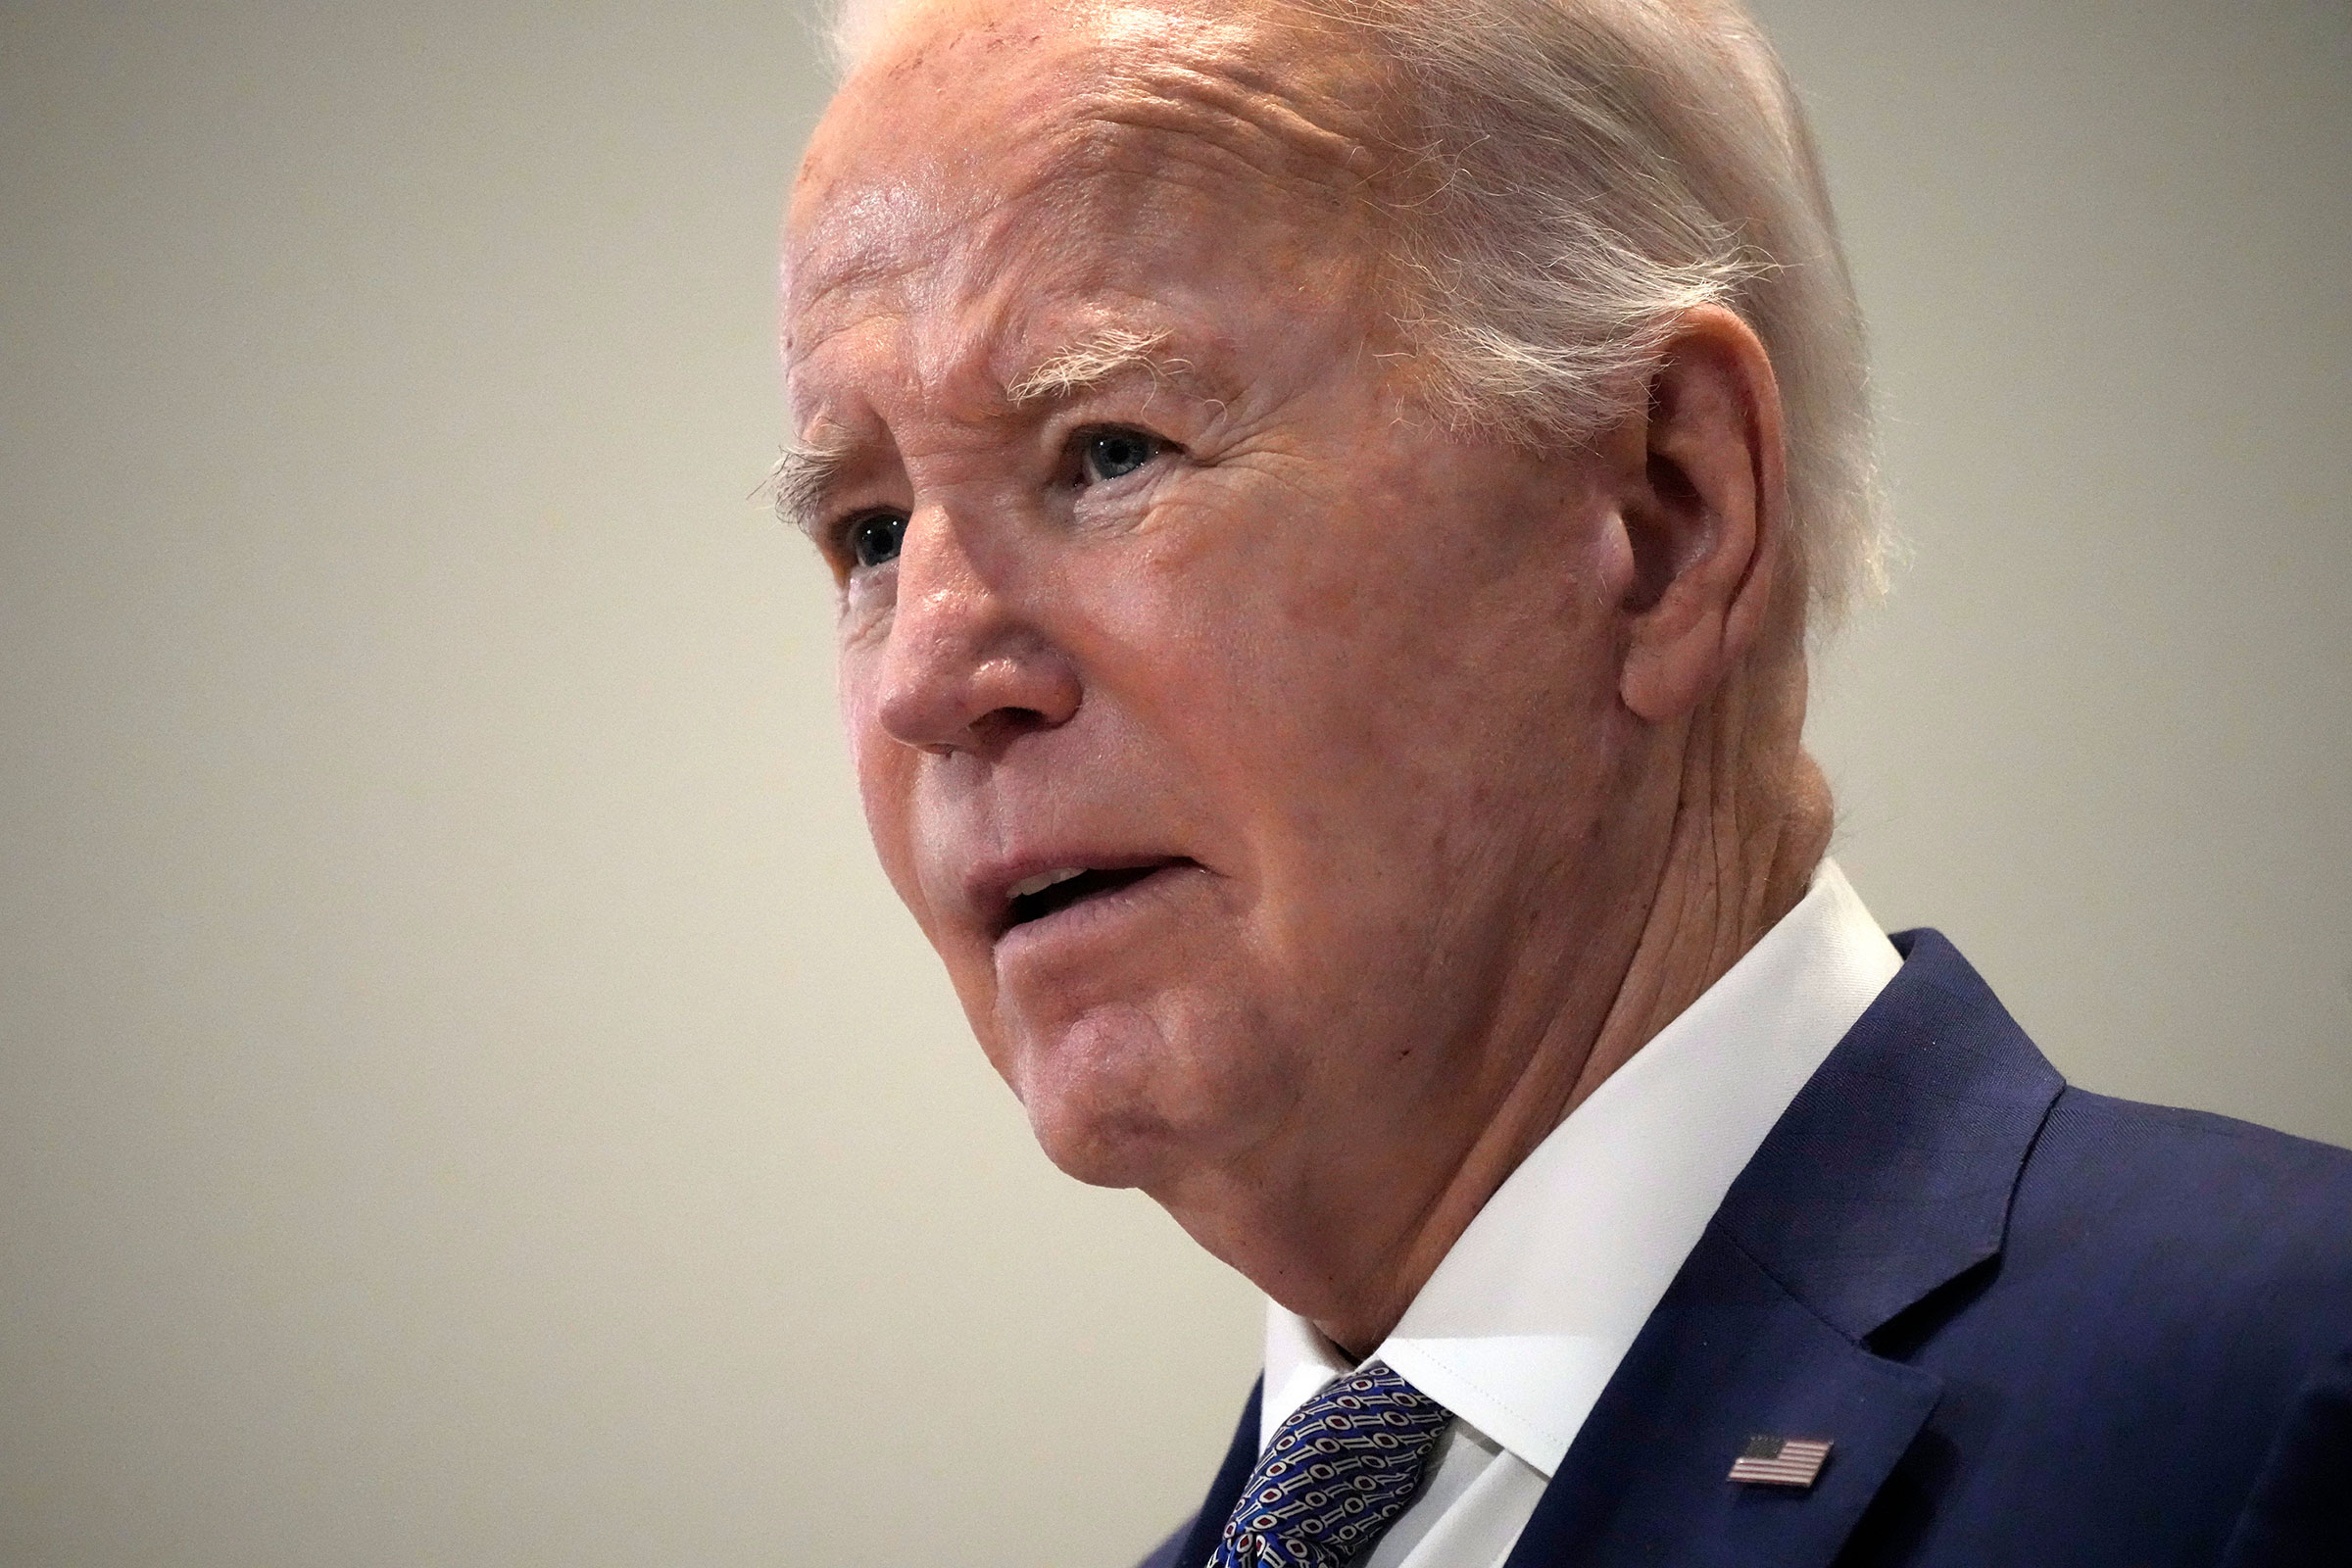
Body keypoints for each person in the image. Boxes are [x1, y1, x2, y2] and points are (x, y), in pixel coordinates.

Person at [773, 0, 2352, 1561]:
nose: (926, 680)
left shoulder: (2279, 1397)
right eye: (869, 533)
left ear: (1666, 513)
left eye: (1110, 451)